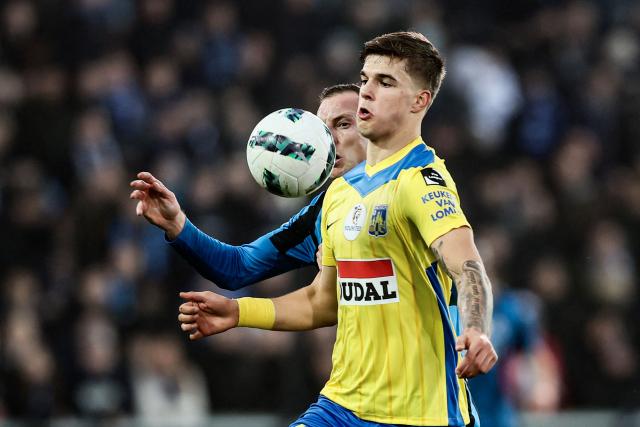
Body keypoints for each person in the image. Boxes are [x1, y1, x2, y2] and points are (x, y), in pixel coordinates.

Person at [178, 32, 497, 427]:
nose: (367, 92)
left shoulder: (421, 181)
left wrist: (477, 330)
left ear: (420, 101)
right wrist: (239, 311)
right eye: (365, 79)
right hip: (342, 406)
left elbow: (467, 267)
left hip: (420, 414)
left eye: (385, 82)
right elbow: (322, 301)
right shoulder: (339, 194)